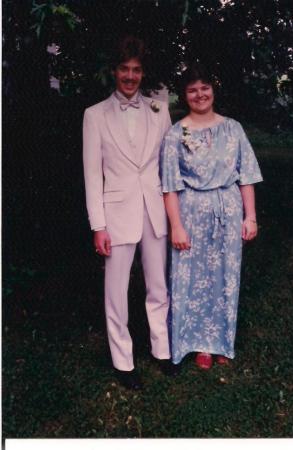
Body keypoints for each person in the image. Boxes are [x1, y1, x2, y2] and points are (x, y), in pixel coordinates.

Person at [83, 36, 178, 390]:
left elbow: (168, 167)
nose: (130, 76)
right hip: (117, 212)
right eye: (124, 69)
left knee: (158, 284)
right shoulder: (94, 115)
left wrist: (174, 212)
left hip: (154, 210)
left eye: (136, 70)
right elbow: (93, 175)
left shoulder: (159, 109)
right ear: (114, 72)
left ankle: (162, 349)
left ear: (142, 73)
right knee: (116, 290)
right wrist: (99, 225)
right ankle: (123, 361)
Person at [160, 64, 263, 369]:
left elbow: (246, 176)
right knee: (191, 277)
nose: (199, 94)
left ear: (213, 90)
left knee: (224, 277)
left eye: (204, 87)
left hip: (228, 211)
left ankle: (221, 341)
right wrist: (176, 226)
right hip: (190, 213)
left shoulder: (233, 128)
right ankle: (197, 343)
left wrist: (251, 216)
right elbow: (169, 185)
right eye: (192, 89)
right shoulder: (176, 134)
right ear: (185, 94)